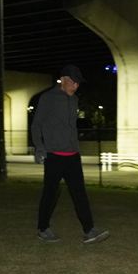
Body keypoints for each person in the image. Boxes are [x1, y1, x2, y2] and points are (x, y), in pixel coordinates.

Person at [31, 64, 109, 244]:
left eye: (78, 83)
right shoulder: (47, 98)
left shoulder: (74, 100)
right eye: (74, 82)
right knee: (51, 193)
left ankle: (89, 230)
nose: (76, 86)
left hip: (73, 155)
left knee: (79, 193)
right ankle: (43, 229)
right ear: (64, 80)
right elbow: (36, 125)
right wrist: (40, 147)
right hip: (54, 155)